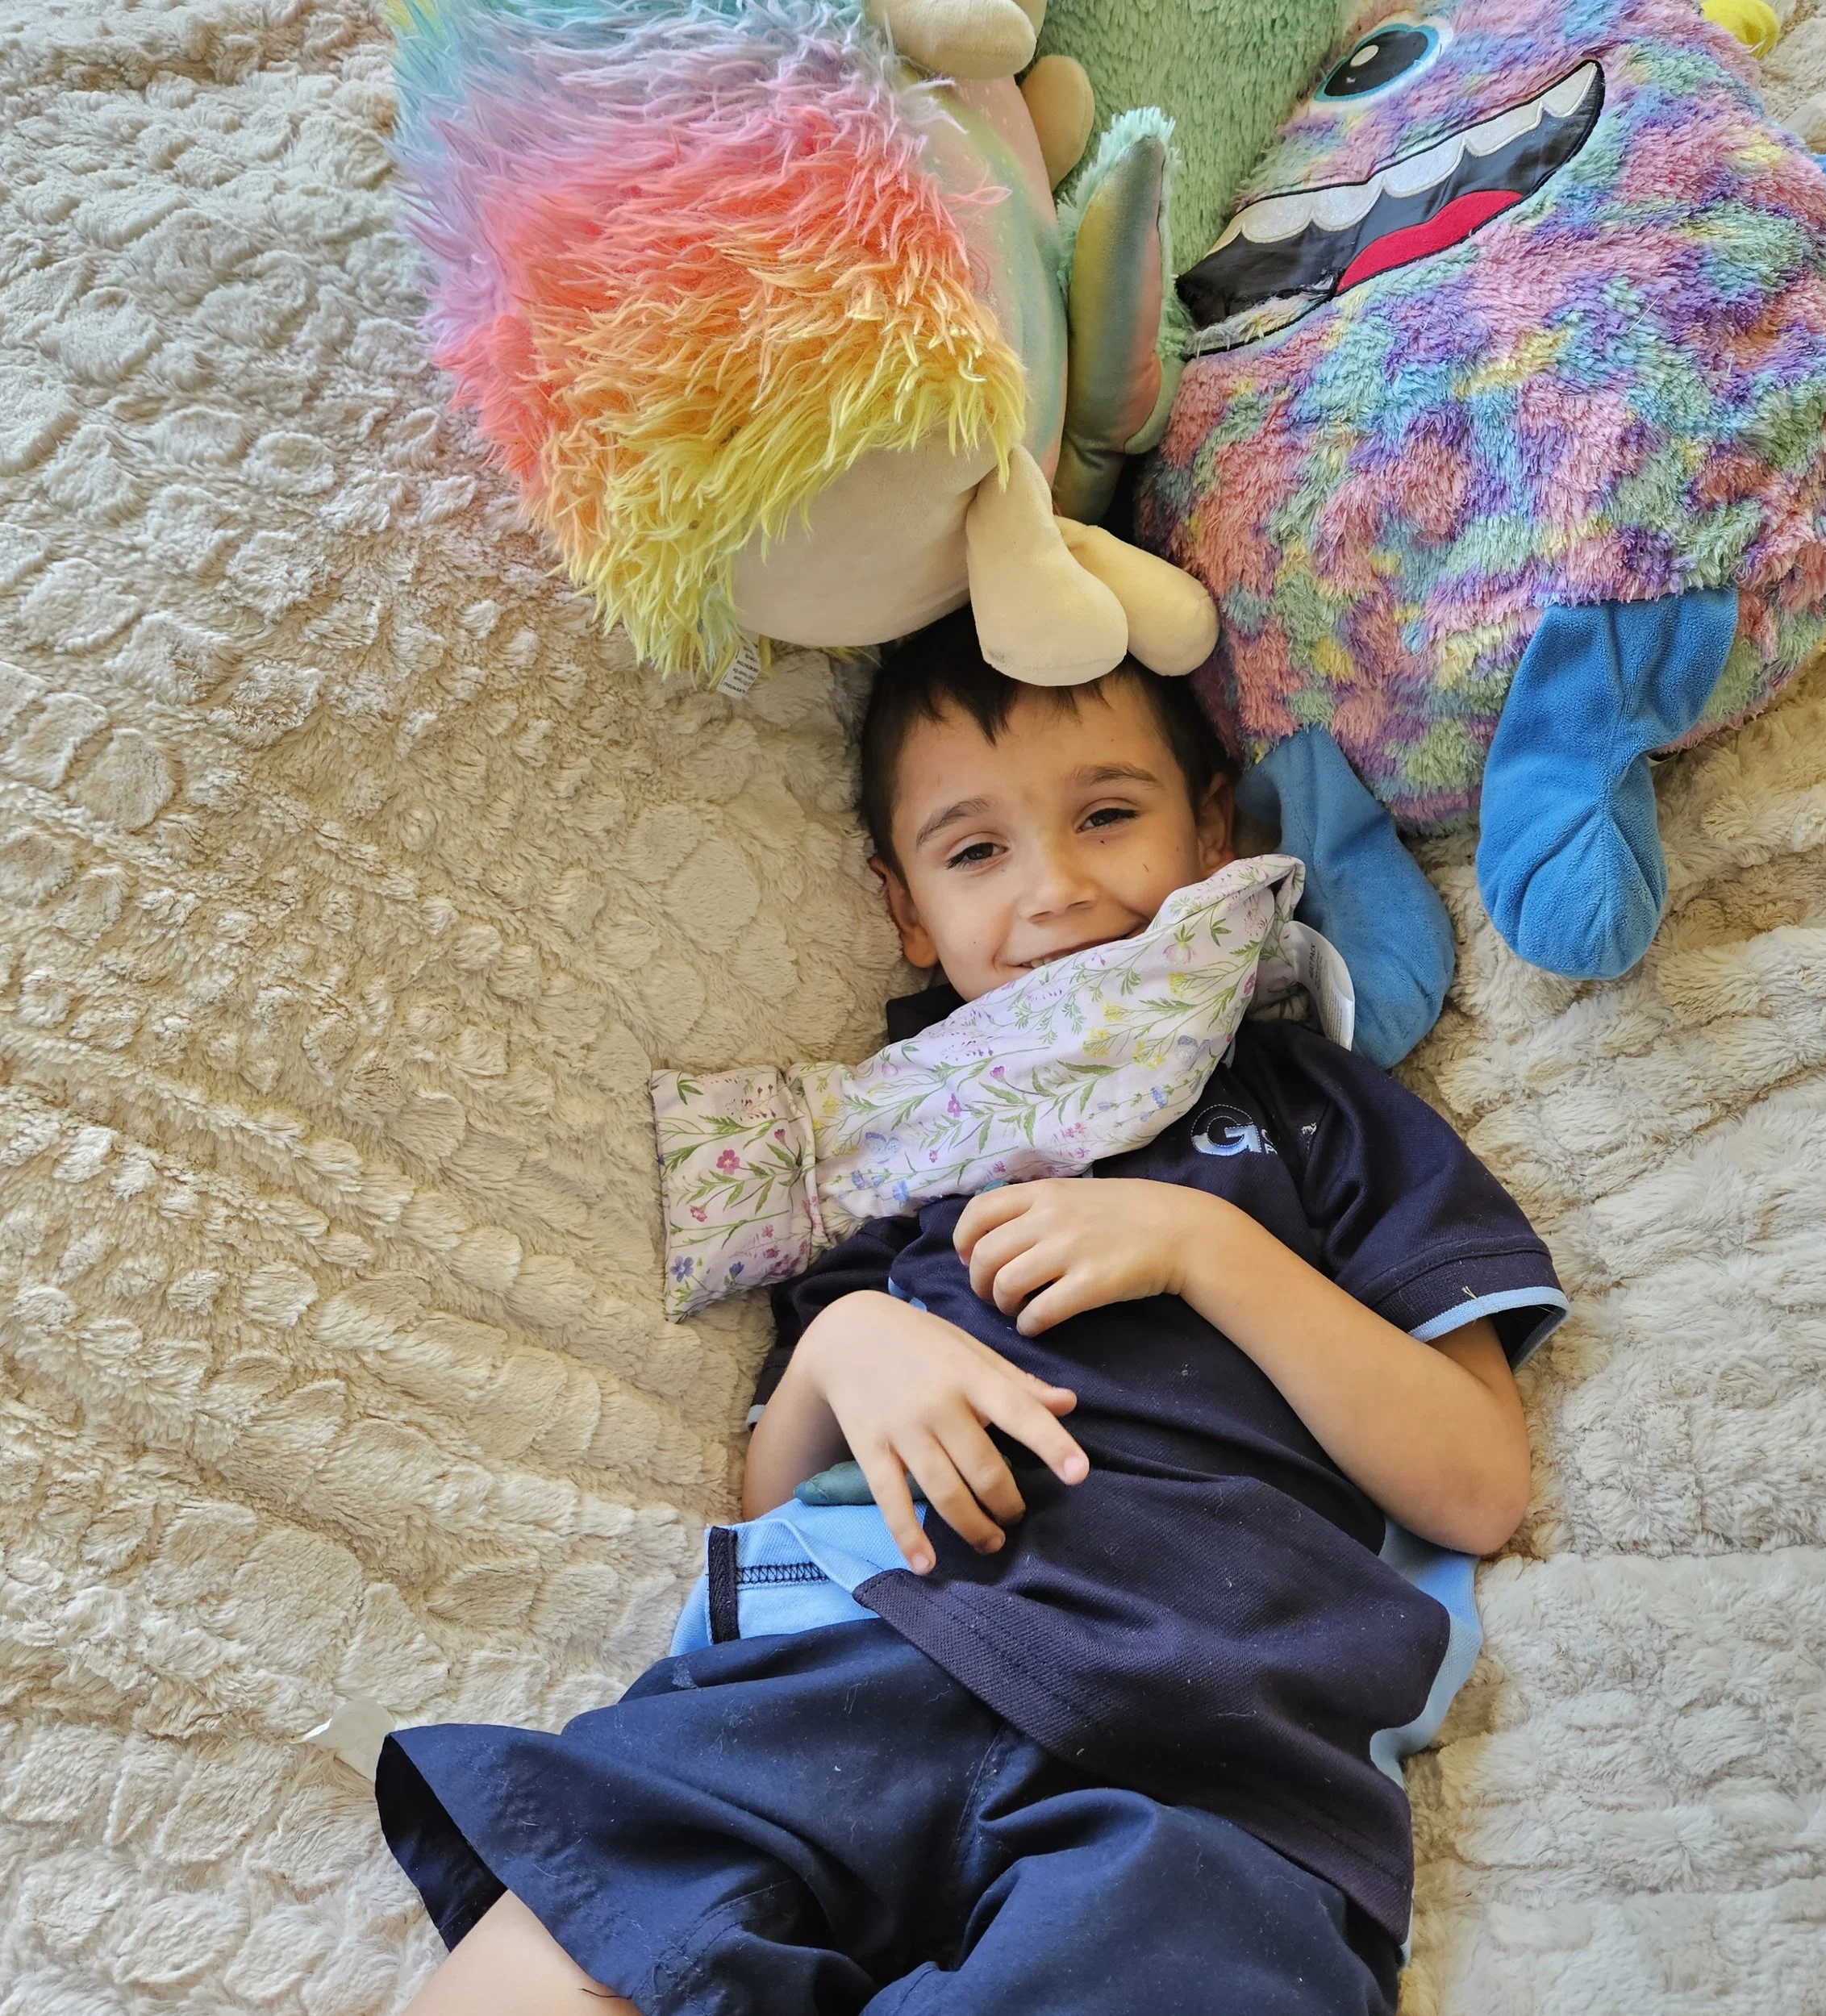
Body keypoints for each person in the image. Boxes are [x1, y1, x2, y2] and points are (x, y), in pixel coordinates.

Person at [375, 610, 1568, 2016]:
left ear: (1211, 836)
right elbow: (769, 1495)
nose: (1054, 890)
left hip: (1203, 1740)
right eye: (976, 852)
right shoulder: (889, 1143)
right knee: (561, 1944)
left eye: (1107, 816)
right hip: (851, 1662)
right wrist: (845, 1342)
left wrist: (1206, 1249)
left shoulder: (1312, 1107)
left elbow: (1480, 1486)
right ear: (906, 911)